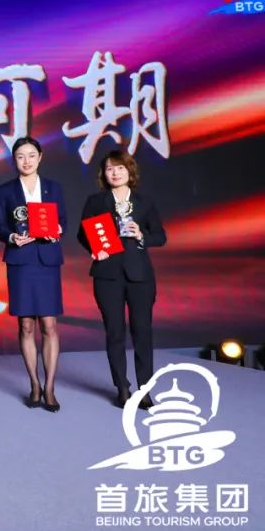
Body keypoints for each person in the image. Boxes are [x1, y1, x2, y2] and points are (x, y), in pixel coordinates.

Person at [77, 149, 166, 409]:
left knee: (142, 333)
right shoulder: (96, 201)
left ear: (129, 171)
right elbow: (83, 233)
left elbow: (160, 236)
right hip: (107, 275)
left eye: (120, 168)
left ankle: (145, 389)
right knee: (114, 332)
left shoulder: (144, 202)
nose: (115, 173)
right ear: (103, 174)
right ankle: (122, 387)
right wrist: (95, 250)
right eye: (109, 169)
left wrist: (141, 236)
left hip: (140, 276)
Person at [0, 136, 66, 413]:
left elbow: (63, 220)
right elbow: (1, 224)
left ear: (40, 157)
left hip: (46, 260)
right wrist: (12, 236)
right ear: (15, 160)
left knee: (49, 325)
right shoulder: (6, 190)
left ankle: (50, 388)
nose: (26, 161)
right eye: (20, 156)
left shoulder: (53, 188)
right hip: (21, 261)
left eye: (31, 155)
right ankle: (34, 384)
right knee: (25, 325)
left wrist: (56, 230)